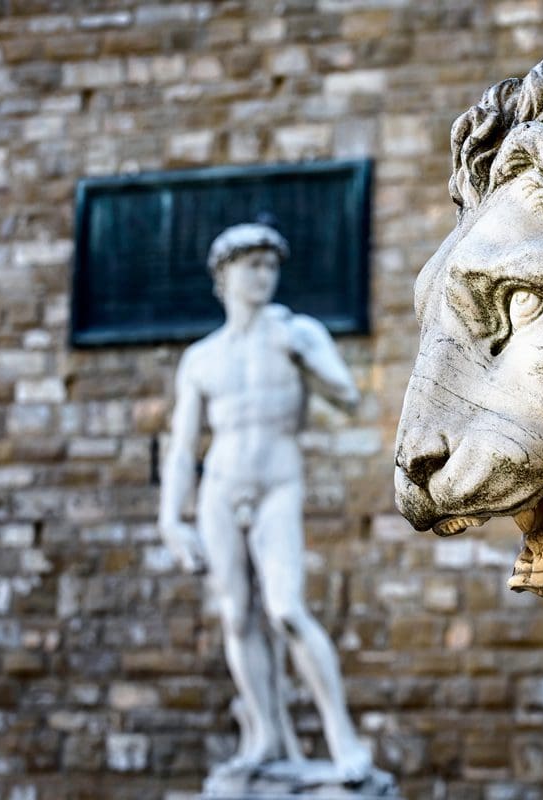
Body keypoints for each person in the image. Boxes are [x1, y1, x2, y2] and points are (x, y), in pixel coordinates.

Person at [157, 222, 370, 781]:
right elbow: (182, 449)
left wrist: (305, 356)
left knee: (285, 609)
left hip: (278, 481)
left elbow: (346, 396)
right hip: (221, 489)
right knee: (237, 616)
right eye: (251, 266)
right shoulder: (201, 359)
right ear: (223, 275)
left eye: (270, 266)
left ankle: (343, 739)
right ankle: (266, 737)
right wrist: (171, 522)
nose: (262, 276)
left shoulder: (297, 331)